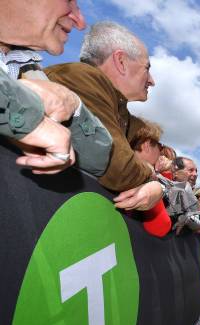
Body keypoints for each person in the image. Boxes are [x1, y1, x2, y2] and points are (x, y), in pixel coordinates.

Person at [45, 21, 162, 211]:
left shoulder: (119, 107)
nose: (152, 81)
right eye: (147, 68)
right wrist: (151, 177)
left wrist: (157, 185)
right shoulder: (81, 77)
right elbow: (117, 166)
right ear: (121, 61)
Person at [0, 0, 115, 177]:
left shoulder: (31, 70)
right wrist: (27, 114)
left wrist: (73, 105)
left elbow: (97, 160)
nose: (80, 22)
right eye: (69, 1)